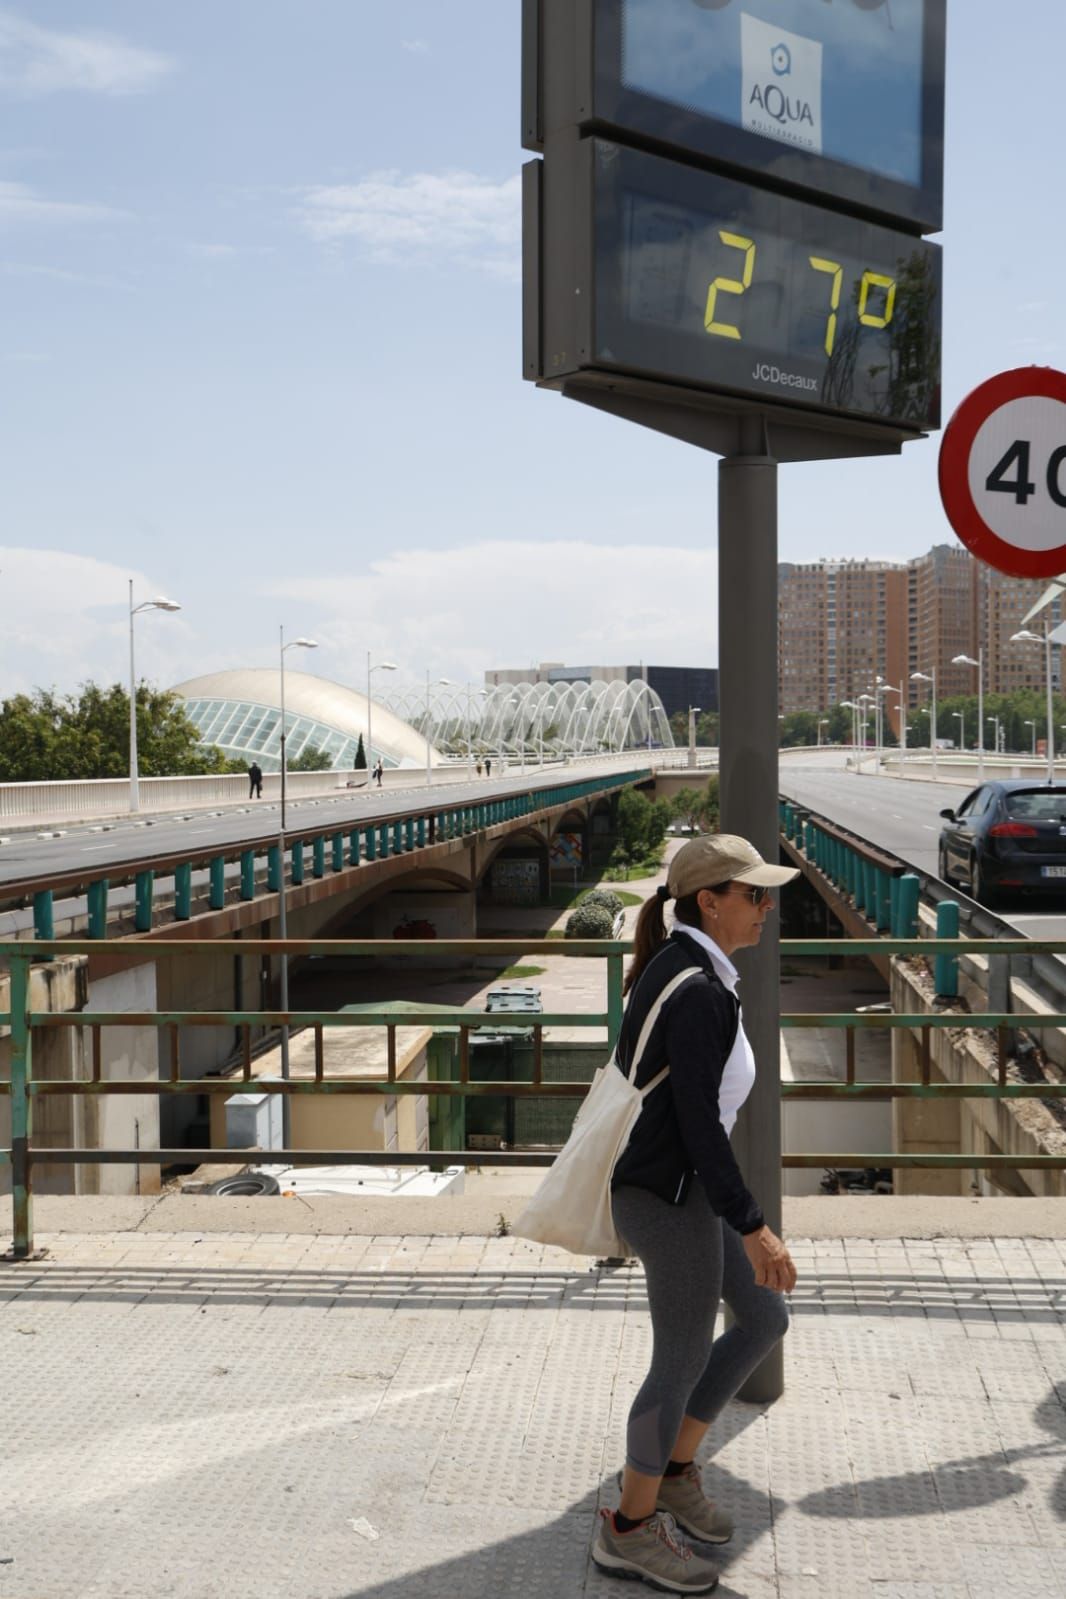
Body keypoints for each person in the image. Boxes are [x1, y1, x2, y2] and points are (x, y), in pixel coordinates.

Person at [592, 834, 799, 1595]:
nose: (765, 907)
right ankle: (628, 1529)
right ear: (710, 901)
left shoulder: (692, 968)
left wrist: (739, 1216)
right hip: (666, 1194)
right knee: (679, 1356)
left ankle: (674, 1472)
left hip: (687, 1186)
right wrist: (753, 1224)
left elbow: (699, 1120)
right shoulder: (696, 988)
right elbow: (699, 1125)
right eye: (754, 894)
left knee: (763, 1319)